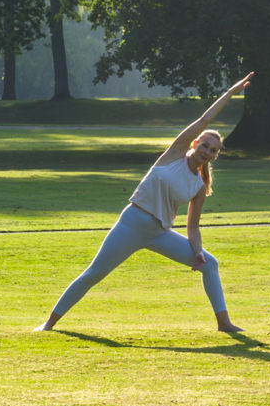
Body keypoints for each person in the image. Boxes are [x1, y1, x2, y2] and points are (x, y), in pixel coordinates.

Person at [37, 74, 254, 334]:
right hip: (132, 224)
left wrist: (197, 251)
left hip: (159, 233)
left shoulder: (198, 186)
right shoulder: (174, 154)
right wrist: (231, 92)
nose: (207, 151)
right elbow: (204, 120)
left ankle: (224, 323)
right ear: (195, 144)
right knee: (94, 273)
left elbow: (192, 228)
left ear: (216, 156)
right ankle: (49, 324)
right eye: (205, 145)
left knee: (211, 264)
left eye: (213, 150)